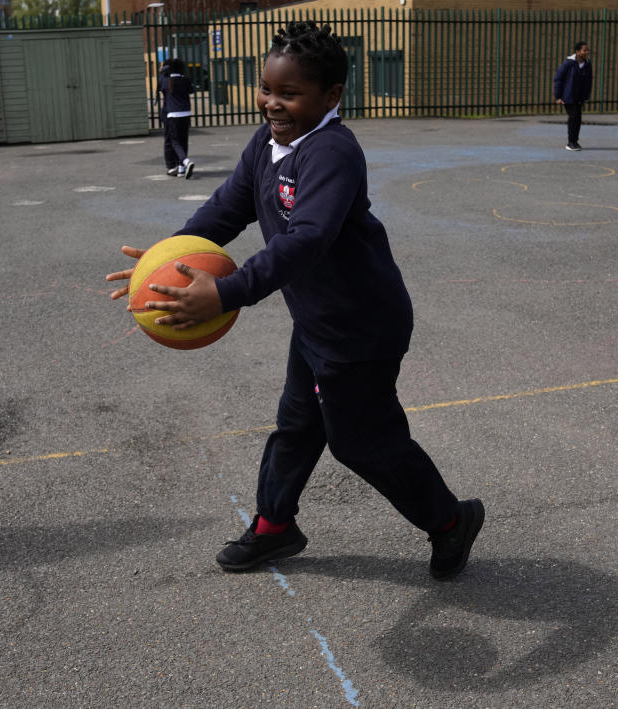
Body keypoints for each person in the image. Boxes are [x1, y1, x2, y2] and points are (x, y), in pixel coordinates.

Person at [106, 21, 483, 580]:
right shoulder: (267, 142)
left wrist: (227, 293)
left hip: (361, 328)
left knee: (360, 443)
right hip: (315, 323)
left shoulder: (332, 151)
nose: (272, 104)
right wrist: (167, 259)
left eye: (289, 93)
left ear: (331, 97)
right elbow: (227, 208)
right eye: (266, 89)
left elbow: (306, 239)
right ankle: (275, 526)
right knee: (297, 424)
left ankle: (450, 522)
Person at [554, 41, 593, 151]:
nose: (587, 52)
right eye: (584, 50)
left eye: (588, 50)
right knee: (574, 117)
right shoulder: (568, 63)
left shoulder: (587, 64)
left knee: (578, 119)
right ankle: (571, 142)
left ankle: (575, 141)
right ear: (577, 51)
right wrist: (558, 96)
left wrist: (586, 95)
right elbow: (558, 79)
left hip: (579, 97)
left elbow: (589, 80)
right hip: (568, 96)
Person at [159, 58, 195, 178]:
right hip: (186, 113)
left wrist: (162, 71)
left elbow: (161, 87)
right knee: (184, 141)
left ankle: (186, 161)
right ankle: (181, 169)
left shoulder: (166, 81)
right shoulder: (185, 80)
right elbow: (191, 91)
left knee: (175, 141)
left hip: (173, 115)